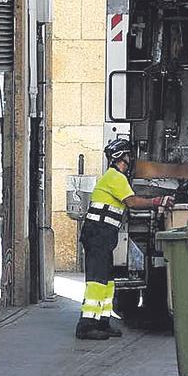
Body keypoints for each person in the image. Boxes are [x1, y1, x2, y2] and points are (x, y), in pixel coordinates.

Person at [75, 137, 175, 341]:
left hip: (103, 234)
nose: (131, 159)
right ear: (122, 157)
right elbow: (132, 202)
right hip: (98, 234)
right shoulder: (115, 177)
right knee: (97, 280)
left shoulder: (116, 178)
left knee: (107, 280)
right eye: (129, 155)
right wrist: (158, 201)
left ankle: (102, 322)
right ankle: (86, 326)